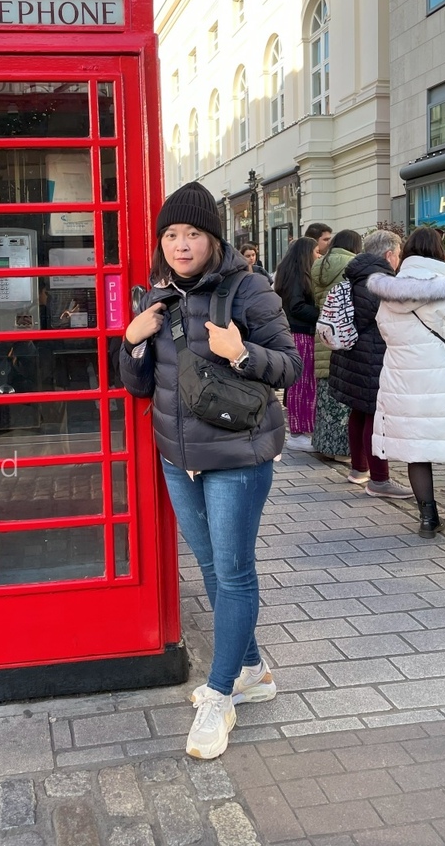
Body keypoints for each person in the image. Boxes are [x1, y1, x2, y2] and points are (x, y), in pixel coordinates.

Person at [120, 181, 301, 760]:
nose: (180, 244)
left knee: (234, 572)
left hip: (237, 457)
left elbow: (291, 368)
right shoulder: (155, 296)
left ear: (212, 239)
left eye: (192, 233)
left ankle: (220, 695)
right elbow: (140, 387)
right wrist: (132, 340)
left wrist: (241, 353)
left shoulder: (250, 291)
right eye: (171, 234)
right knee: (211, 569)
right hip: (179, 459)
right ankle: (252, 669)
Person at [369, 226, 445, 541]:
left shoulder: (389, 295)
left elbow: (386, 333)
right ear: (437, 252)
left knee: (416, 448)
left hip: (403, 380)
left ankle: (427, 519)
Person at [327, 230, 412, 498]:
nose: (398, 261)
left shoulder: (356, 274)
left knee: (360, 411)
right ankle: (379, 479)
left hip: (352, 353)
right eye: (398, 255)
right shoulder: (380, 281)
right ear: (389, 255)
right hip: (371, 355)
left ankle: (358, 469)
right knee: (376, 416)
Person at [310, 229, 363, 458]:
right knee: (344, 396)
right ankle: (342, 449)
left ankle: (324, 445)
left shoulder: (318, 265)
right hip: (343, 334)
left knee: (325, 394)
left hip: (323, 333)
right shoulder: (353, 265)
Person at [273, 236, 320, 451]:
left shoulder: (287, 272)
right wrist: (322, 314)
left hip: (294, 332)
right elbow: (298, 307)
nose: (318, 256)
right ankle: (299, 432)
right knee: (303, 384)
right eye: (316, 252)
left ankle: (300, 431)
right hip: (301, 333)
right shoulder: (298, 277)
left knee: (300, 383)